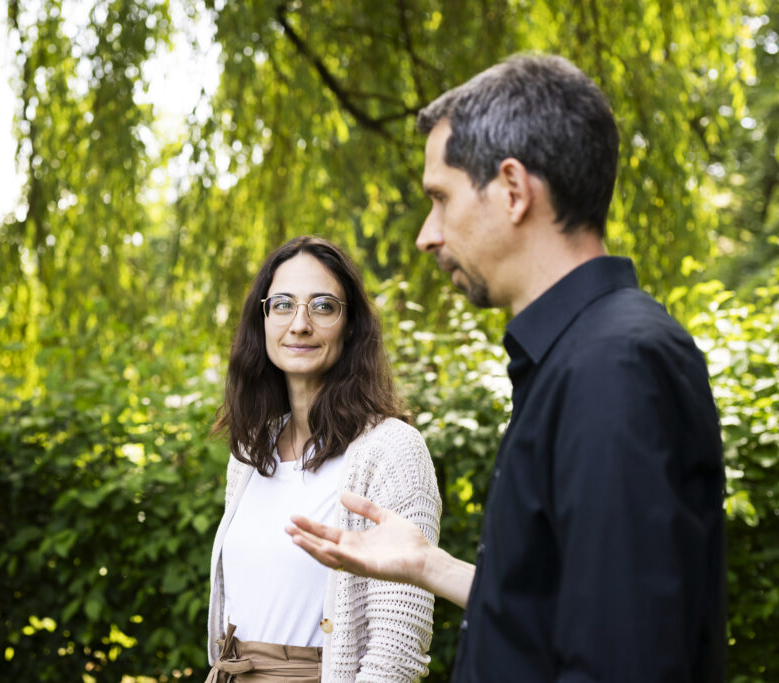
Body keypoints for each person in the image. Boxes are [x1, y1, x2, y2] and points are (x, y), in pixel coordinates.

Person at [287, 54, 726, 682]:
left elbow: (624, 659)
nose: (427, 235)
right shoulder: (575, 358)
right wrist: (427, 564)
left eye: (441, 198)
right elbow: (560, 608)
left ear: (513, 190)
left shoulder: (616, 367)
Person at [206, 236, 441, 681]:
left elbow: (397, 653)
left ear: (350, 326)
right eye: (282, 304)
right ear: (263, 320)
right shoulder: (251, 451)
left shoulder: (392, 451)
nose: (300, 324)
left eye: (323, 306)